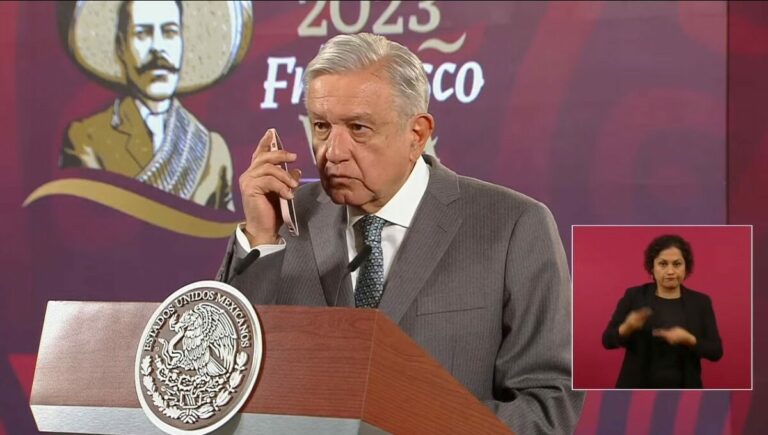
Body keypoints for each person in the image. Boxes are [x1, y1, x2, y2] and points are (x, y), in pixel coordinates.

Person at [217, 33, 584, 433]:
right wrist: (260, 239)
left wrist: (412, 420)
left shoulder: (512, 226)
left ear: (417, 134)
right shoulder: (281, 219)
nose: (332, 152)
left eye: (358, 128)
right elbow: (216, 378)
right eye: (321, 126)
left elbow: (547, 404)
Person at [60, 0, 235, 210]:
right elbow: (84, 224)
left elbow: (226, 228)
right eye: (142, 33)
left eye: (169, 32)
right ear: (121, 46)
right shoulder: (87, 139)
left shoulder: (212, 150)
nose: (158, 48)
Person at [602, 234, 723, 388]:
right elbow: (607, 341)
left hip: (685, 391)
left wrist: (689, 340)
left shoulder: (700, 302)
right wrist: (628, 327)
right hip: (636, 390)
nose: (670, 271)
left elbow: (716, 352)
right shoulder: (634, 296)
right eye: (663, 264)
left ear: (686, 267)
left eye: (677, 264)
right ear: (652, 268)